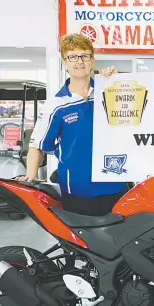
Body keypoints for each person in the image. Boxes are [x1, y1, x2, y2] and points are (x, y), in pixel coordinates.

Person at [17, 33, 125, 217]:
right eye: (72, 57)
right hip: (76, 189)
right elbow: (37, 144)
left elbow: (139, 110)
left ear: (93, 60)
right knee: (81, 244)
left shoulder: (110, 90)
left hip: (116, 184)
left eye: (85, 55)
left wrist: (118, 80)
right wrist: (31, 174)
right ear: (64, 63)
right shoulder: (57, 104)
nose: (79, 61)